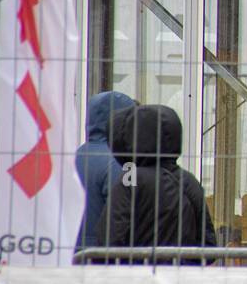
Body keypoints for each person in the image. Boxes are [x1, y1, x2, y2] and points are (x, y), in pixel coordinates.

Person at [96, 105, 217, 249]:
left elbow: (110, 239)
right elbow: (208, 243)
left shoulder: (130, 180)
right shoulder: (188, 182)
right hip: (180, 270)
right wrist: (185, 263)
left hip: (136, 270)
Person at [75, 90, 137, 251]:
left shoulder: (73, 156)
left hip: (67, 251)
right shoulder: (120, 162)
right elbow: (125, 216)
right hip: (102, 257)